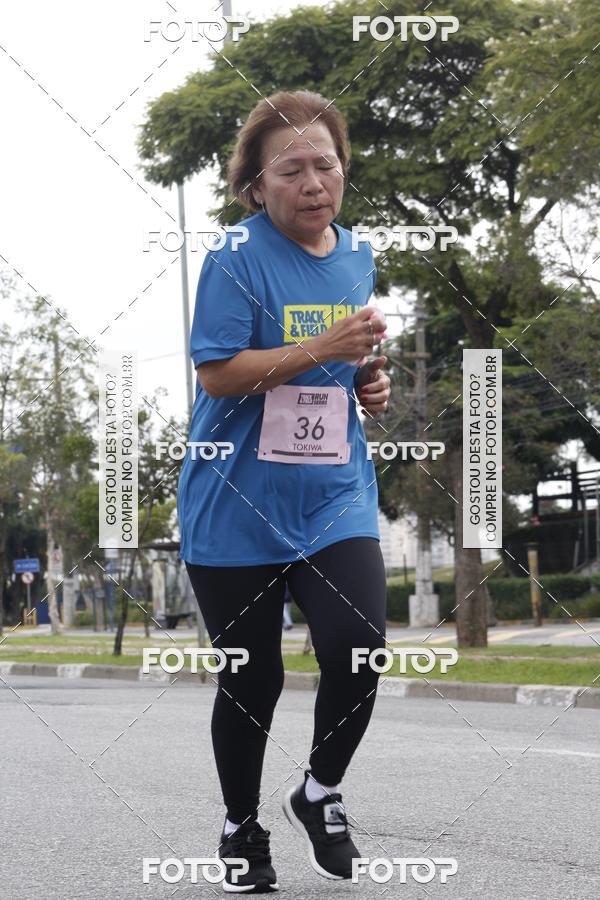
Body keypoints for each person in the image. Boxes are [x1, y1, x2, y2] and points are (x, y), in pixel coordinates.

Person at [177, 90, 391, 893]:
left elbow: (344, 363)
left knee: (359, 645)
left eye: (325, 165)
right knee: (252, 677)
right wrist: (323, 346)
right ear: (256, 186)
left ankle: (319, 791)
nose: (312, 183)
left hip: (332, 493)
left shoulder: (358, 255)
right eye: (290, 170)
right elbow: (218, 373)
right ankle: (240, 826)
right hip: (235, 500)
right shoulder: (234, 257)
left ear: (343, 169)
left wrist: (366, 381)